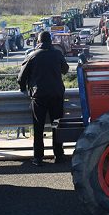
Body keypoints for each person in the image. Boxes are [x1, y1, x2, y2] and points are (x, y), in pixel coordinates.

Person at [18, 30, 69, 166]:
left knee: (38, 127)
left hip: (38, 96)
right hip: (56, 95)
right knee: (57, 126)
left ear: (38, 42)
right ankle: (59, 155)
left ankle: (38, 158)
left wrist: (23, 88)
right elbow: (65, 70)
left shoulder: (32, 56)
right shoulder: (57, 54)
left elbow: (21, 77)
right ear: (50, 41)